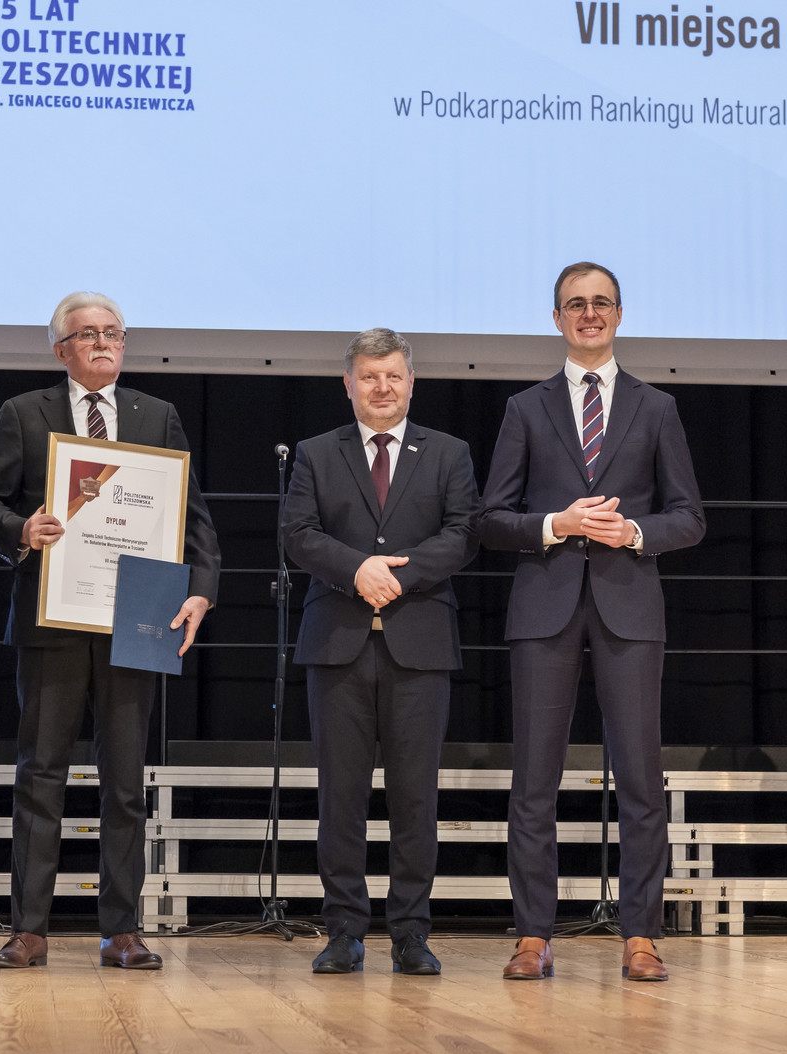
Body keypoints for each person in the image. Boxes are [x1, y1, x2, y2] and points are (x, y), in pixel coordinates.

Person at [0, 292, 221, 969]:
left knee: (125, 782)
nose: (103, 343)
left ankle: (122, 930)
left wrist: (200, 592)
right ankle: (29, 929)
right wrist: (20, 529)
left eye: (112, 332)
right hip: (53, 617)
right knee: (40, 775)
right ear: (62, 350)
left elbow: (193, 517)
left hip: (137, 617)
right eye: (87, 334)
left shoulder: (157, 415)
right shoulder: (23, 413)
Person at [479, 263, 704, 981]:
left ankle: (641, 936)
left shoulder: (657, 407)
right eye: (575, 304)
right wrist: (557, 523)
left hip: (629, 606)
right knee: (533, 782)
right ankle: (532, 936)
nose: (589, 314)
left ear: (619, 314)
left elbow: (689, 517)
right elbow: (491, 518)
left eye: (601, 303)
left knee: (640, 779)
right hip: (543, 607)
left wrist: (633, 533)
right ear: (556, 319)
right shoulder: (525, 408)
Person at [280, 328, 480, 977]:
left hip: (419, 644)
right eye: (369, 376)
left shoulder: (449, 452)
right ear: (349, 384)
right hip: (337, 646)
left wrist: (397, 574)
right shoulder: (316, 453)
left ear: (411, 382)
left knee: (415, 800)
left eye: (393, 375)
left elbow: (463, 534)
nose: (382, 387)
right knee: (340, 800)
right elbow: (297, 533)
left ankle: (411, 934)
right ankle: (343, 932)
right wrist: (355, 569)